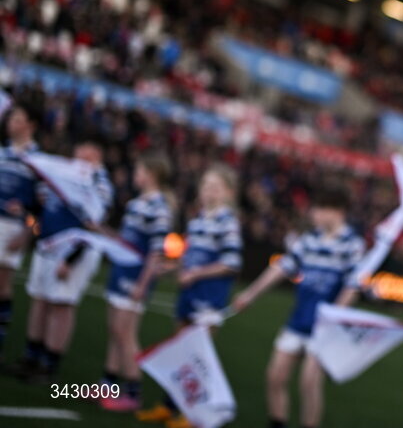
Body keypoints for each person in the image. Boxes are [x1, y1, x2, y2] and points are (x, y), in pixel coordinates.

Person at [228, 181, 366, 428]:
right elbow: (282, 268)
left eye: (319, 208)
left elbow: (352, 287)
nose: (314, 214)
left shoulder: (351, 243)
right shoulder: (309, 239)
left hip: (323, 327)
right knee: (275, 377)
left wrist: (334, 316)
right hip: (298, 320)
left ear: (337, 210)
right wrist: (250, 294)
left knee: (309, 383)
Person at [137, 164, 242, 428]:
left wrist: (195, 274)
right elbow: (190, 256)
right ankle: (170, 406)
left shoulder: (227, 221)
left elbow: (231, 262)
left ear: (228, 192)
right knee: (181, 351)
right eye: (206, 186)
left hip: (209, 297)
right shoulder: (197, 220)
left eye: (215, 187)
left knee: (198, 356)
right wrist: (172, 267)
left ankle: (196, 415)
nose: (209, 192)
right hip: (189, 294)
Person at [19, 140, 113, 381]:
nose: (81, 153)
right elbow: (43, 203)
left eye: (88, 149)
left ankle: (50, 363)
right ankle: (32, 356)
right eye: (79, 148)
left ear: (98, 154)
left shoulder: (98, 181)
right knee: (40, 300)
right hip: (47, 245)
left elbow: (93, 222)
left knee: (61, 305)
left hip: (72, 251)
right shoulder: (61, 172)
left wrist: (71, 258)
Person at [98, 153, 175, 412]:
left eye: (139, 170)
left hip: (135, 277)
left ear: (151, 174)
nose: (135, 175)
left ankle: (133, 391)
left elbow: (156, 251)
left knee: (124, 332)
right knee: (113, 329)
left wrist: (144, 283)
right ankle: (107, 385)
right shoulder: (135, 203)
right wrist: (101, 232)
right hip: (121, 272)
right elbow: (125, 239)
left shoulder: (160, 207)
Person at [0, 103, 40, 364]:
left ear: (30, 125)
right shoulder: (2, 152)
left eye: (18, 119)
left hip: (13, 227)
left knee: (2, 285)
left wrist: (27, 233)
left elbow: (41, 205)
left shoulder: (39, 160)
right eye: (11, 119)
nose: (12, 123)